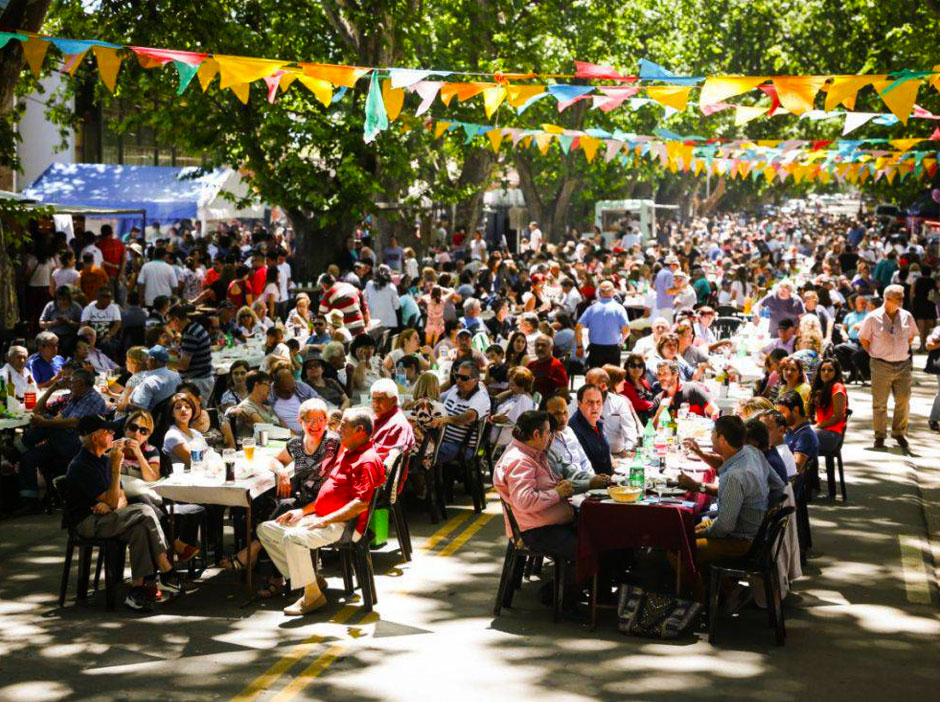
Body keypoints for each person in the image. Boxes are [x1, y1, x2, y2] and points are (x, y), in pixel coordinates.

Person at [257, 408, 385, 616]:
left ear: (359, 430)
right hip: (325, 517)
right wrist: (302, 511)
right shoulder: (349, 452)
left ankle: (312, 596)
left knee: (293, 538)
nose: (338, 429)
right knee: (266, 530)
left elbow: (360, 503)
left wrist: (325, 519)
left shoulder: (367, 460)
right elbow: (330, 494)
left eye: (343, 425)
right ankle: (312, 581)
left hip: (345, 525)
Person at [61, 415, 185, 612]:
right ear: (95, 437)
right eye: (108, 431)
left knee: (140, 529)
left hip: (106, 517)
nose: (112, 435)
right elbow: (113, 499)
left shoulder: (103, 459)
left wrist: (111, 504)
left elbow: (122, 499)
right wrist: (116, 470)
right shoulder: (82, 465)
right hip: (86, 522)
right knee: (145, 511)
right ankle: (166, 569)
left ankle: (136, 592)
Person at [225, 399, 341, 587]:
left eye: (320, 419)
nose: (315, 425)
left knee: (281, 510)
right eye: (309, 420)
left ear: (326, 420)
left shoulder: (332, 442)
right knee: (266, 504)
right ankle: (277, 575)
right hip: (302, 498)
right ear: (300, 421)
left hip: (322, 501)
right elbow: (276, 460)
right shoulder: (296, 443)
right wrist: (282, 472)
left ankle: (255, 554)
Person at [675, 416, 773, 601]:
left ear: (721, 439)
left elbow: (725, 527)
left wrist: (701, 534)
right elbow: (777, 484)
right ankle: (724, 589)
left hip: (740, 540)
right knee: (681, 535)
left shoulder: (735, 477)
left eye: (712, 433)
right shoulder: (752, 453)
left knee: (679, 551)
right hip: (753, 531)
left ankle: (700, 602)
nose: (710, 437)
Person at [493, 410, 577, 580]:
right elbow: (524, 501)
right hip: (537, 531)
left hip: (549, 523)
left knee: (596, 534)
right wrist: (556, 493)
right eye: (548, 432)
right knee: (588, 549)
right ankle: (560, 595)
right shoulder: (519, 460)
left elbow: (538, 487)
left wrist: (557, 487)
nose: (550, 436)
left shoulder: (533, 452)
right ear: (537, 434)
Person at [15, 368, 107, 508]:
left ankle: (17, 449)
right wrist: (53, 388)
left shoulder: (93, 399)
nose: (69, 385)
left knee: (46, 421)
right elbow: (36, 411)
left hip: (79, 443)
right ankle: (29, 500)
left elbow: (75, 423)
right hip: (60, 440)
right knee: (28, 457)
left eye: (71, 382)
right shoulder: (74, 397)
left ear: (80, 383)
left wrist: (45, 422)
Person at [858, 284, 915, 450]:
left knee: (903, 399)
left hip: (903, 364)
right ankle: (880, 435)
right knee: (880, 403)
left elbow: (910, 338)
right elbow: (864, 339)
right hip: (880, 364)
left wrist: (898, 351)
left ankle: (899, 432)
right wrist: (875, 353)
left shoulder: (907, 316)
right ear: (888, 299)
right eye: (900, 298)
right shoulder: (872, 317)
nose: (903, 301)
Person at [545, 395, 609, 492]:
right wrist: (590, 483)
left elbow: (584, 460)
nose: (562, 417)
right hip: (569, 490)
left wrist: (595, 479)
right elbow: (558, 482)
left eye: (565, 412)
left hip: (585, 483)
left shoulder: (569, 431)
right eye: (557, 414)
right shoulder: (545, 442)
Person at [431, 361, 491, 463]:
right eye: (457, 376)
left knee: (424, 451)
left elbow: (468, 417)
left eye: (464, 378)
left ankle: (423, 476)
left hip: (461, 446)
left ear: (475, 380)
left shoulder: (481, 398)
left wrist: (446, 420)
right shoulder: (455, 391)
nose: (459, 380)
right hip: (441, 438)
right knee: (415, 444)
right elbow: (435, 400)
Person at [584, 367, 641, 456]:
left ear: (603, 386)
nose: (586, 387)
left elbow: (629, 430)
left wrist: (629, 449)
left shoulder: (619, 402)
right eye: (585, 383)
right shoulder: (579, 402)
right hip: (588, 456)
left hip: (617, 454)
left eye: (590, 383)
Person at [575, 280, 630, 369]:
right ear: (613, 293)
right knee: (613, 379)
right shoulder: (619, 309)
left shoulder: (591, 309)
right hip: (613, 349)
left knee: (596, 378)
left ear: (600, 293)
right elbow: (626, 329)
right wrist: (622, 340)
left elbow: (578, 328)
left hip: (596, 350)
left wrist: (579, 346)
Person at [167, 305, 215, 401]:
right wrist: (177, 352)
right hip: (202, 379)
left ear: (176, 320)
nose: (169, 326)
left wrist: (164, 363)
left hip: (198, 381)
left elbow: (183, 365)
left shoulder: (190, 334)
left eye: (169, 322)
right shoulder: (195, 327)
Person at [567, 383, 613, 475]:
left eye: (598, 402)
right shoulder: (574, 429)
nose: (595, 407)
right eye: (590, 402)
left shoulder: (598, 423)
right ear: (579, 404)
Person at [652, 360, 717, 422]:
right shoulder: (658, 399)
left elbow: (715, 411)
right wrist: (660, 411)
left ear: (675, 374)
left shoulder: (692, 389)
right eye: (659, 374)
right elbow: (652, 429)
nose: (661, 378)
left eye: (665, 374)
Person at [369, 378, 416, 462]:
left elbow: (381, 460)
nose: (375, 404)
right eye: (373, 398)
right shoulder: (381, 417)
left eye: (380, 399)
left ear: (393, 400)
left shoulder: (397, 425)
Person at [807, 359, 848, 454]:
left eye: (830, 370)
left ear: (836, 372)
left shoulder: (838, 387)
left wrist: (817, 426)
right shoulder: (820, 388)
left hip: (831, 434)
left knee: (802, 436)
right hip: (820, 431)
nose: (826, 373)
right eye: (823, 370)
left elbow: (838, 416)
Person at [490, 367, 537, 448]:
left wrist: (490, 418)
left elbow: (507, 419)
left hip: (502, 434)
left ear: (522, 386)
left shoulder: (524, 400)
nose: (509, 386)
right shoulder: (515, 394)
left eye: (512, 385)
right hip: (497, 429)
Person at [774, 390, 819, 473]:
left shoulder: (806, 436)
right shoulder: (791, 430)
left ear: (795, 410)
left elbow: (796, 468)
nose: (779, 417)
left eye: (782, 412)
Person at [127, 345, 181, 412]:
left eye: (148, 357)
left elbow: (139, 409)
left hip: (150, 419)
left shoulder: (149, 382)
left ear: (152, 360)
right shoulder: (176, 376)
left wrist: (128, 405)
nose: (146, 360)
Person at [228, 370, 279, 439]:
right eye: (267, 384)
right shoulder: (245, 407)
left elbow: (283, 425)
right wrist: (289, 435)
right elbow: (265, 431)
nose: (270, 388)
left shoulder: (268, 407)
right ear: (256, 385)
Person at [162, 393, 206, 468]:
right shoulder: (172, 435)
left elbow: (209, 455)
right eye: (178, 407)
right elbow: (195, 462)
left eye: (187, 406)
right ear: (172, 413)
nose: (183, 410)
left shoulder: (196, 433)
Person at [269, 367, 319, 434]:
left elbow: (320, 401)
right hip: (283, 434)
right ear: (276, 387)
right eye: (286, 391)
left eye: (292, 388)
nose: (290, 391)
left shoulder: (300, 386)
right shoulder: (269, 393)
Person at [318, 273, 370, 337]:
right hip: (360, 326)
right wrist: (366, 326)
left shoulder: (328, 294)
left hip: (344, 331)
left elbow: (320, 317)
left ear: (324, 285)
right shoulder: (350, 287)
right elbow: (364, 309)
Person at [39, 287, 83, 357]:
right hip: (53, 332)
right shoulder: (50, 306)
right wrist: (53, 323)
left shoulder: (76, 307)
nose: (62, 302)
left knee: (68, 345)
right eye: (59, 299)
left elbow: (82, 325)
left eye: (64, 300)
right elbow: (41, 323)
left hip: (69, 334)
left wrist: (69, 322)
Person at [80, 285, 122, 358]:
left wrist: (109, 336)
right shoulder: (88, 309)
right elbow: (84, 325)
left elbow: (117, 324)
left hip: (108, 337)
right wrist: (90, 338)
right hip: (91, 337)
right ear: (98, 297)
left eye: (108, 297)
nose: (106, 299)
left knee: (108, 345)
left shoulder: (114, 308)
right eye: (103, 296)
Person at [526, 335, 568, 402]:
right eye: (537, 345)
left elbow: (563, 392)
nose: (540, 348)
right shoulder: (530, 365)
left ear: (551, 348)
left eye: (543, 345)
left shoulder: (557, 366)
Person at [758, 409, 798, 478]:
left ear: (781, 430)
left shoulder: (776, 456)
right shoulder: (780, 450)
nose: (760, 433)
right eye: (759, 428)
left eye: (766, 429)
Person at [363, 264, 401, 335]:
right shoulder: (391, 287)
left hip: (373, 321)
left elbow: (365, 299)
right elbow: (397, 306)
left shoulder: (369, 284)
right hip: (389, 323)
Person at [622, 352, 657, 424]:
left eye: (640, 365)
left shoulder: (644, 382)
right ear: (627, 367)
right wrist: (657, 405)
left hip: (650, 419)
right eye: (633, 365)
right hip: (635, 422)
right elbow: (637, 404)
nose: (637, 368)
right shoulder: (624, 384)